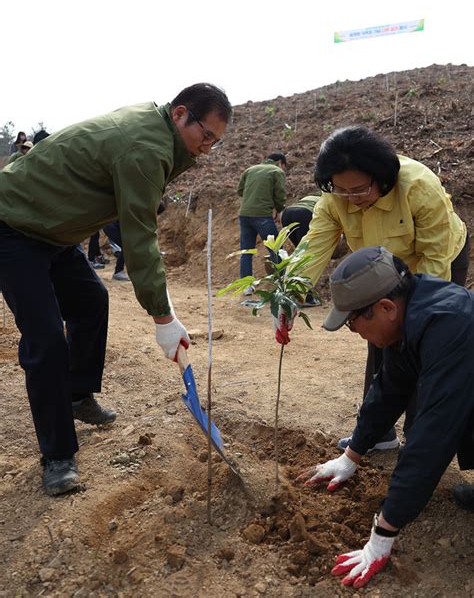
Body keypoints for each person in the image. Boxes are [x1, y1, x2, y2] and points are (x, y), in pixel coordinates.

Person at [0, 83, 232, 496]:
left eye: (215, 141)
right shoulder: (145, 145)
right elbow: (139, 236)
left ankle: (76, 394)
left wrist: (165, 309)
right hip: (14, 226)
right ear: (180, 114)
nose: (207, 149)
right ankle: (57, 456)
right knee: (47, 339)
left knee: (91, 300)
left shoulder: (156, 131)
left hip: (52, 231)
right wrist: (164, 317)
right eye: (206, 136)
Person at [276, 126, 469, 451]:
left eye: (360, 189)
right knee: (378, 339)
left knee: (422, 344)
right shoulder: (334, 197)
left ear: (382, 178)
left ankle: (419, 436)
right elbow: (315, 245)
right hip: (380, 270)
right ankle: (379, 433)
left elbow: (435, 259)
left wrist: (416, 317)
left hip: (436, 260)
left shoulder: (419, 187)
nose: (351, 199)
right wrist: (290, 294)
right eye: (341, 190)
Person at [297, 246, 474, 588]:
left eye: (353, 323)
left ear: (385, 308)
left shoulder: (450, 325)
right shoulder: (409, 315)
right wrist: (351, 456)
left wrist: (383, 532)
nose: (354, 332)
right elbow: (389, 390)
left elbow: (432, 437)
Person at [237, 152, 287, 294]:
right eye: (284, 166)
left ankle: (246, 287)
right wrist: (279, 210)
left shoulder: (250, 170)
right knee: (277, 249)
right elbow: (280, 194)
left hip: (244, 215)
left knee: (246, 252)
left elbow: (240, 191)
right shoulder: (277, 171)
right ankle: (281, 284)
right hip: (263, 216)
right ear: (280, 163)